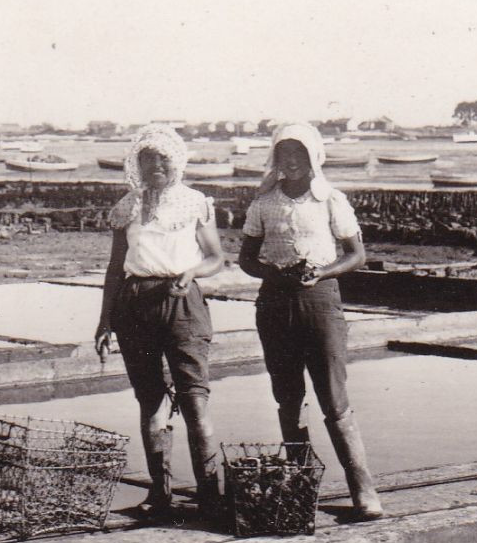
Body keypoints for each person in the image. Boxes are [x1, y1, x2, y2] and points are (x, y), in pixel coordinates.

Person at [237, 122, 384, 520]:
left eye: (299, 154)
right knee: (287, 397)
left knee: (334, 399)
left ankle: (363, 491)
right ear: (276, 158)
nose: (292, 162)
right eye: (285, 154)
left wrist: (322, 272)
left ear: (314, 157)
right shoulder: (265, 202)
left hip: (320, 302)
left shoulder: (330, 200)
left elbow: (357, 255)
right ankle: (303, 487)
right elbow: (246, 259)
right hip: (274, 303)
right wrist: (272, 272)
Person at [94, 124, 226, 517]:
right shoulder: (127, 206)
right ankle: (160, 495)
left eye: (163, 159)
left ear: (177, 162)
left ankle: (211, 495)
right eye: (147, 159)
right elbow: (116, 268)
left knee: (194, 400)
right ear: (137, 163)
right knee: (150, 400)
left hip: (182, 302)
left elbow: (217, 257)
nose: (156, 166)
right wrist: (104, 321)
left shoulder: (195, 203)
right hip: (134, 305)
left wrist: (192, 273)